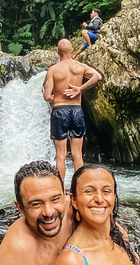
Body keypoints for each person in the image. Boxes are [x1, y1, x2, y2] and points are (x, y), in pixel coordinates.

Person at [44, 39, 102, 182]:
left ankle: (61, 189)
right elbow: (98, 76)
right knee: (77, 154)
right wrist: (79, 89)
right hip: (76, 110)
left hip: (59, 111)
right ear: (71, 51)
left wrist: (58, 96)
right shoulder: (80, 67)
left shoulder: (53, 70)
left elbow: (46, 96)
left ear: (58, 52)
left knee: (61, 155)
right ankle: (80, 187)